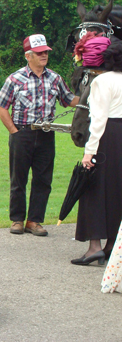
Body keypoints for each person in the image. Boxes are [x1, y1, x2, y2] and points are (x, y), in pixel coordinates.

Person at [0, 34, 79, 236]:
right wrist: (13, 132)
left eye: (46, 52)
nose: (44, 56)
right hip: (22, 133)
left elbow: (68, 100)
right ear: (28, 56)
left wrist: (93, 95)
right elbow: (1, 107)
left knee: (43, 180)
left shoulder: (55, 78)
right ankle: (17, 220)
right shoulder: (15, 79)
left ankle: (34, 221)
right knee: (18, 179)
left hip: (46, 134)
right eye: (39, 53)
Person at [71, 40, 122, 268]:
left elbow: (99, 119)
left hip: (108, 136)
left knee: (93, 187)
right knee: (117, 189)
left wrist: (89, 152)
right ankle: (112, 244)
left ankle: (94, 247)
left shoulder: (103, 81)